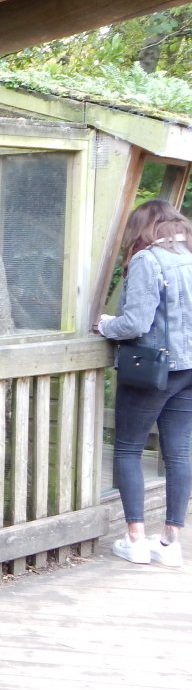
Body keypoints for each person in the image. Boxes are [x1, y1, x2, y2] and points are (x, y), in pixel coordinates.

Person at [97, 198, 192, 566]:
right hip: (189, 369)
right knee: (179, 453)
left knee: (127, 449)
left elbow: (135, 323)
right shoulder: (188, 256)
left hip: (154, 370)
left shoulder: (147, 260)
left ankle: (136, 541)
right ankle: (170, 542)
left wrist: (105, 324)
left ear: (143, 228)